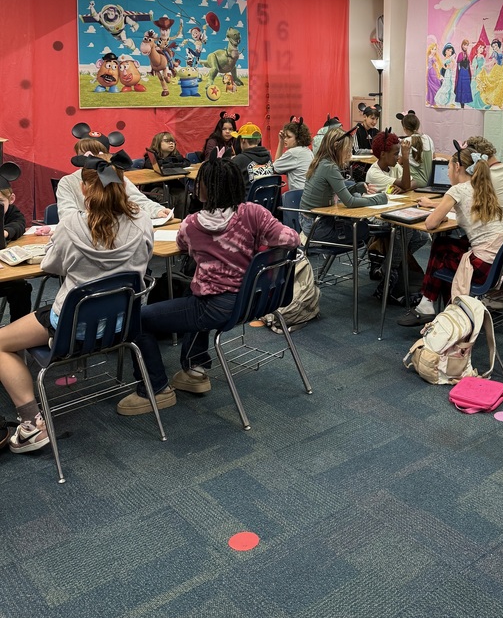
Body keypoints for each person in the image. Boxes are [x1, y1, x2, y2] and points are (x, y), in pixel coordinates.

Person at [117, 155, 299, 415]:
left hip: (216, 306)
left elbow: (181, 246)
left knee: (138, 318)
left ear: (205, 188)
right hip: (253, 301)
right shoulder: (254, 213)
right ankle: (194, 368)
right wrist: (260, 251)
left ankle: (155, 389)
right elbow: (290, 238)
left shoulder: (192, 224)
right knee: (195, 293)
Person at [0, 157, 153, 452]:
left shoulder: (71, 226)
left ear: (83, 189)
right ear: (123, 186)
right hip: (122, 325)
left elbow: (51, 265)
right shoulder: (142, 221)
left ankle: (32, 424)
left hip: (72, 329)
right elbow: (144, 265)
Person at [398, 146, 503, 326]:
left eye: (448, 168)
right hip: (501, 264)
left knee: (440, 250)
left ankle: (429, 304)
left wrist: (437, 215)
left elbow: (430, 224)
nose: (448, 173)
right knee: (445, 245)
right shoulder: (483, 188)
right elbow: (462, 207)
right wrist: (435, 206)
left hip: (483, 269)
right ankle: (435, 304)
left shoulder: (457, 190)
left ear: (457, 167)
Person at [366, 131, 428, 298]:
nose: (398, 157)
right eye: (395, 154)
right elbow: (408, 182)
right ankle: (390, 270)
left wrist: (405, 185)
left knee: (422, 237)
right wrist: (406, 161)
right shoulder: (375, 173)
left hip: (393, 212)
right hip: (376, 218)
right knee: (405, 230)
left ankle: (386, 264)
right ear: (383, 154)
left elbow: (413, 182)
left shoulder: (393, 167)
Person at [300, 128, 386, 245]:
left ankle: (380, 259)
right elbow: (349, 202)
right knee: (366, 228)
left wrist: (356, 187)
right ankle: (382, 260)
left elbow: (337, 192)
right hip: (318, 225)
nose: (349, 153)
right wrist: (378, 199)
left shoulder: (322, 161)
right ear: (336, 146)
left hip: (311, 221)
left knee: (365, 226)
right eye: (346, 149)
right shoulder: (330, 167)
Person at [57, 137, 172, 220]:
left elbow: (136, 199)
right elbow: (67, 215)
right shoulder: (68, 182)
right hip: (85, 235)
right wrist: (100, 218)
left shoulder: (113, 175)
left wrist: (157, 210)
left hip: (117, 230)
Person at [0, 166, 34, 322]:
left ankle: (18, 328)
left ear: (11, 199)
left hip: (5, 272)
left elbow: (19, 223)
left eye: (0, 202)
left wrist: (6, 232)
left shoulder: (12, 211)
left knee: (22, 288)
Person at [143, 131, 188, 215]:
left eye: (173, 141)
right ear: (158, 143)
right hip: (155, 186)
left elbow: (186, 162)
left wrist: (168, 164)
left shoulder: (174, 155)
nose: (171, 143)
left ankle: (180, 221)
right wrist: (173, 165)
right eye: (167, 141)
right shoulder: (150, 156)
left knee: (183, 195)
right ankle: (167, 220)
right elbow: (151, 165)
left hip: (172, 185)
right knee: (166, 197)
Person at [396, 110, 434, 190]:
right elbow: (433, 158)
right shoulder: (428, 139)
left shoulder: (406, 142)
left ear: (404, 128)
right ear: (418, 126)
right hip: (430, 181)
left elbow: (399, 163)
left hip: (414, 181)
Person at [273, 118, 313, 191]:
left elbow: (274, 169)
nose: (285, 139)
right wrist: (281, 141)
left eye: (289, 137)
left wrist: (280, 142)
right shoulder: (307, 151)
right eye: (284, 137)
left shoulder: (293, 153)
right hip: (308, 193)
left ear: (298, 139)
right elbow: (278, 165)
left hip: (298, 195)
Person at [454, 38, 472, 108]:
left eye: (467, 45)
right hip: (462, 73)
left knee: (466, 88)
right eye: (464, 45)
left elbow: (468, 65)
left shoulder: (467, 54)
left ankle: (465, 102)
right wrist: (460, 72)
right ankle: (462, 103)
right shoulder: (460, 54)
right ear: (462, 45)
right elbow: (458, 64)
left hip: (466, 73)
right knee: (461, 87)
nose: (465, 46)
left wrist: (468, 72)